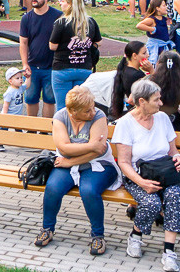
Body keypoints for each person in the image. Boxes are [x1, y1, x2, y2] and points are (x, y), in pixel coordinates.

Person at [34, 86, 120, 255]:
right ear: (73, 111)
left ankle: (98, 236)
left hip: (99, 164)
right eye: (87, 111)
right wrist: (91, 146)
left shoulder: (99, 116)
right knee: (53, 188)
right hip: (67, 162)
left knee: (88, 190)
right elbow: (64, 148)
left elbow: (98, 152)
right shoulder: (60, 117)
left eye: (93, 107)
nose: (92, 112)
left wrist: (70, 161)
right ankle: (47, 229)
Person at [112, 79, 180, 272]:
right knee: (152, 203)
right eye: (156, 99)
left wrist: (178, 158)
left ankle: (169, 252)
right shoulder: (125, 124)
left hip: (165, 173)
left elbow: (172, 151)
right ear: (142, 101)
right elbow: (124, 163)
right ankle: (136, 236)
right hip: (138, 176)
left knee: (174, 197)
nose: (161, 103)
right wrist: (143, 183)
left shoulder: (162, 119)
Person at [48, 0, 102, 110]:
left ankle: (63, 123)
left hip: (62, 68)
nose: (60, 3)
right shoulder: (90, 22)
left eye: (63, 1)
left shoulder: (61, 22)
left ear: (69, 4)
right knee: (80, 107)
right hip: (84, 67)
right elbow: (99, 42)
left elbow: (53, 46)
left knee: (62, 107)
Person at [17, 0, 62, 119]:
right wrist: (25, 64)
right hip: (32, 66)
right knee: (30, 99)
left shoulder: (58, 16)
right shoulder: (26, 18)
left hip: (52, 66)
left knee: (49, 99)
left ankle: (45, 128)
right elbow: (23, 43)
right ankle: (31, 128)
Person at [110, 41, 151, 120]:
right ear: (134, 56)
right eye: (144, 53)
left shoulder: (124, 68)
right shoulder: (137, 75)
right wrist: (151, 71)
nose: (148, 55)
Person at [0, 67, 28, 151]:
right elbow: (6, 105)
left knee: (18, 129)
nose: (20, 80)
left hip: (17, 115)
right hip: (8, 115)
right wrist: (5, 116)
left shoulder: (20, 88)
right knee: (4, 130)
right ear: (10, 81)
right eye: (17, 78)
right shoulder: (9, 92)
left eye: (21, 77)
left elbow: (27, 85)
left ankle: (21, 141)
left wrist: (28, 77)